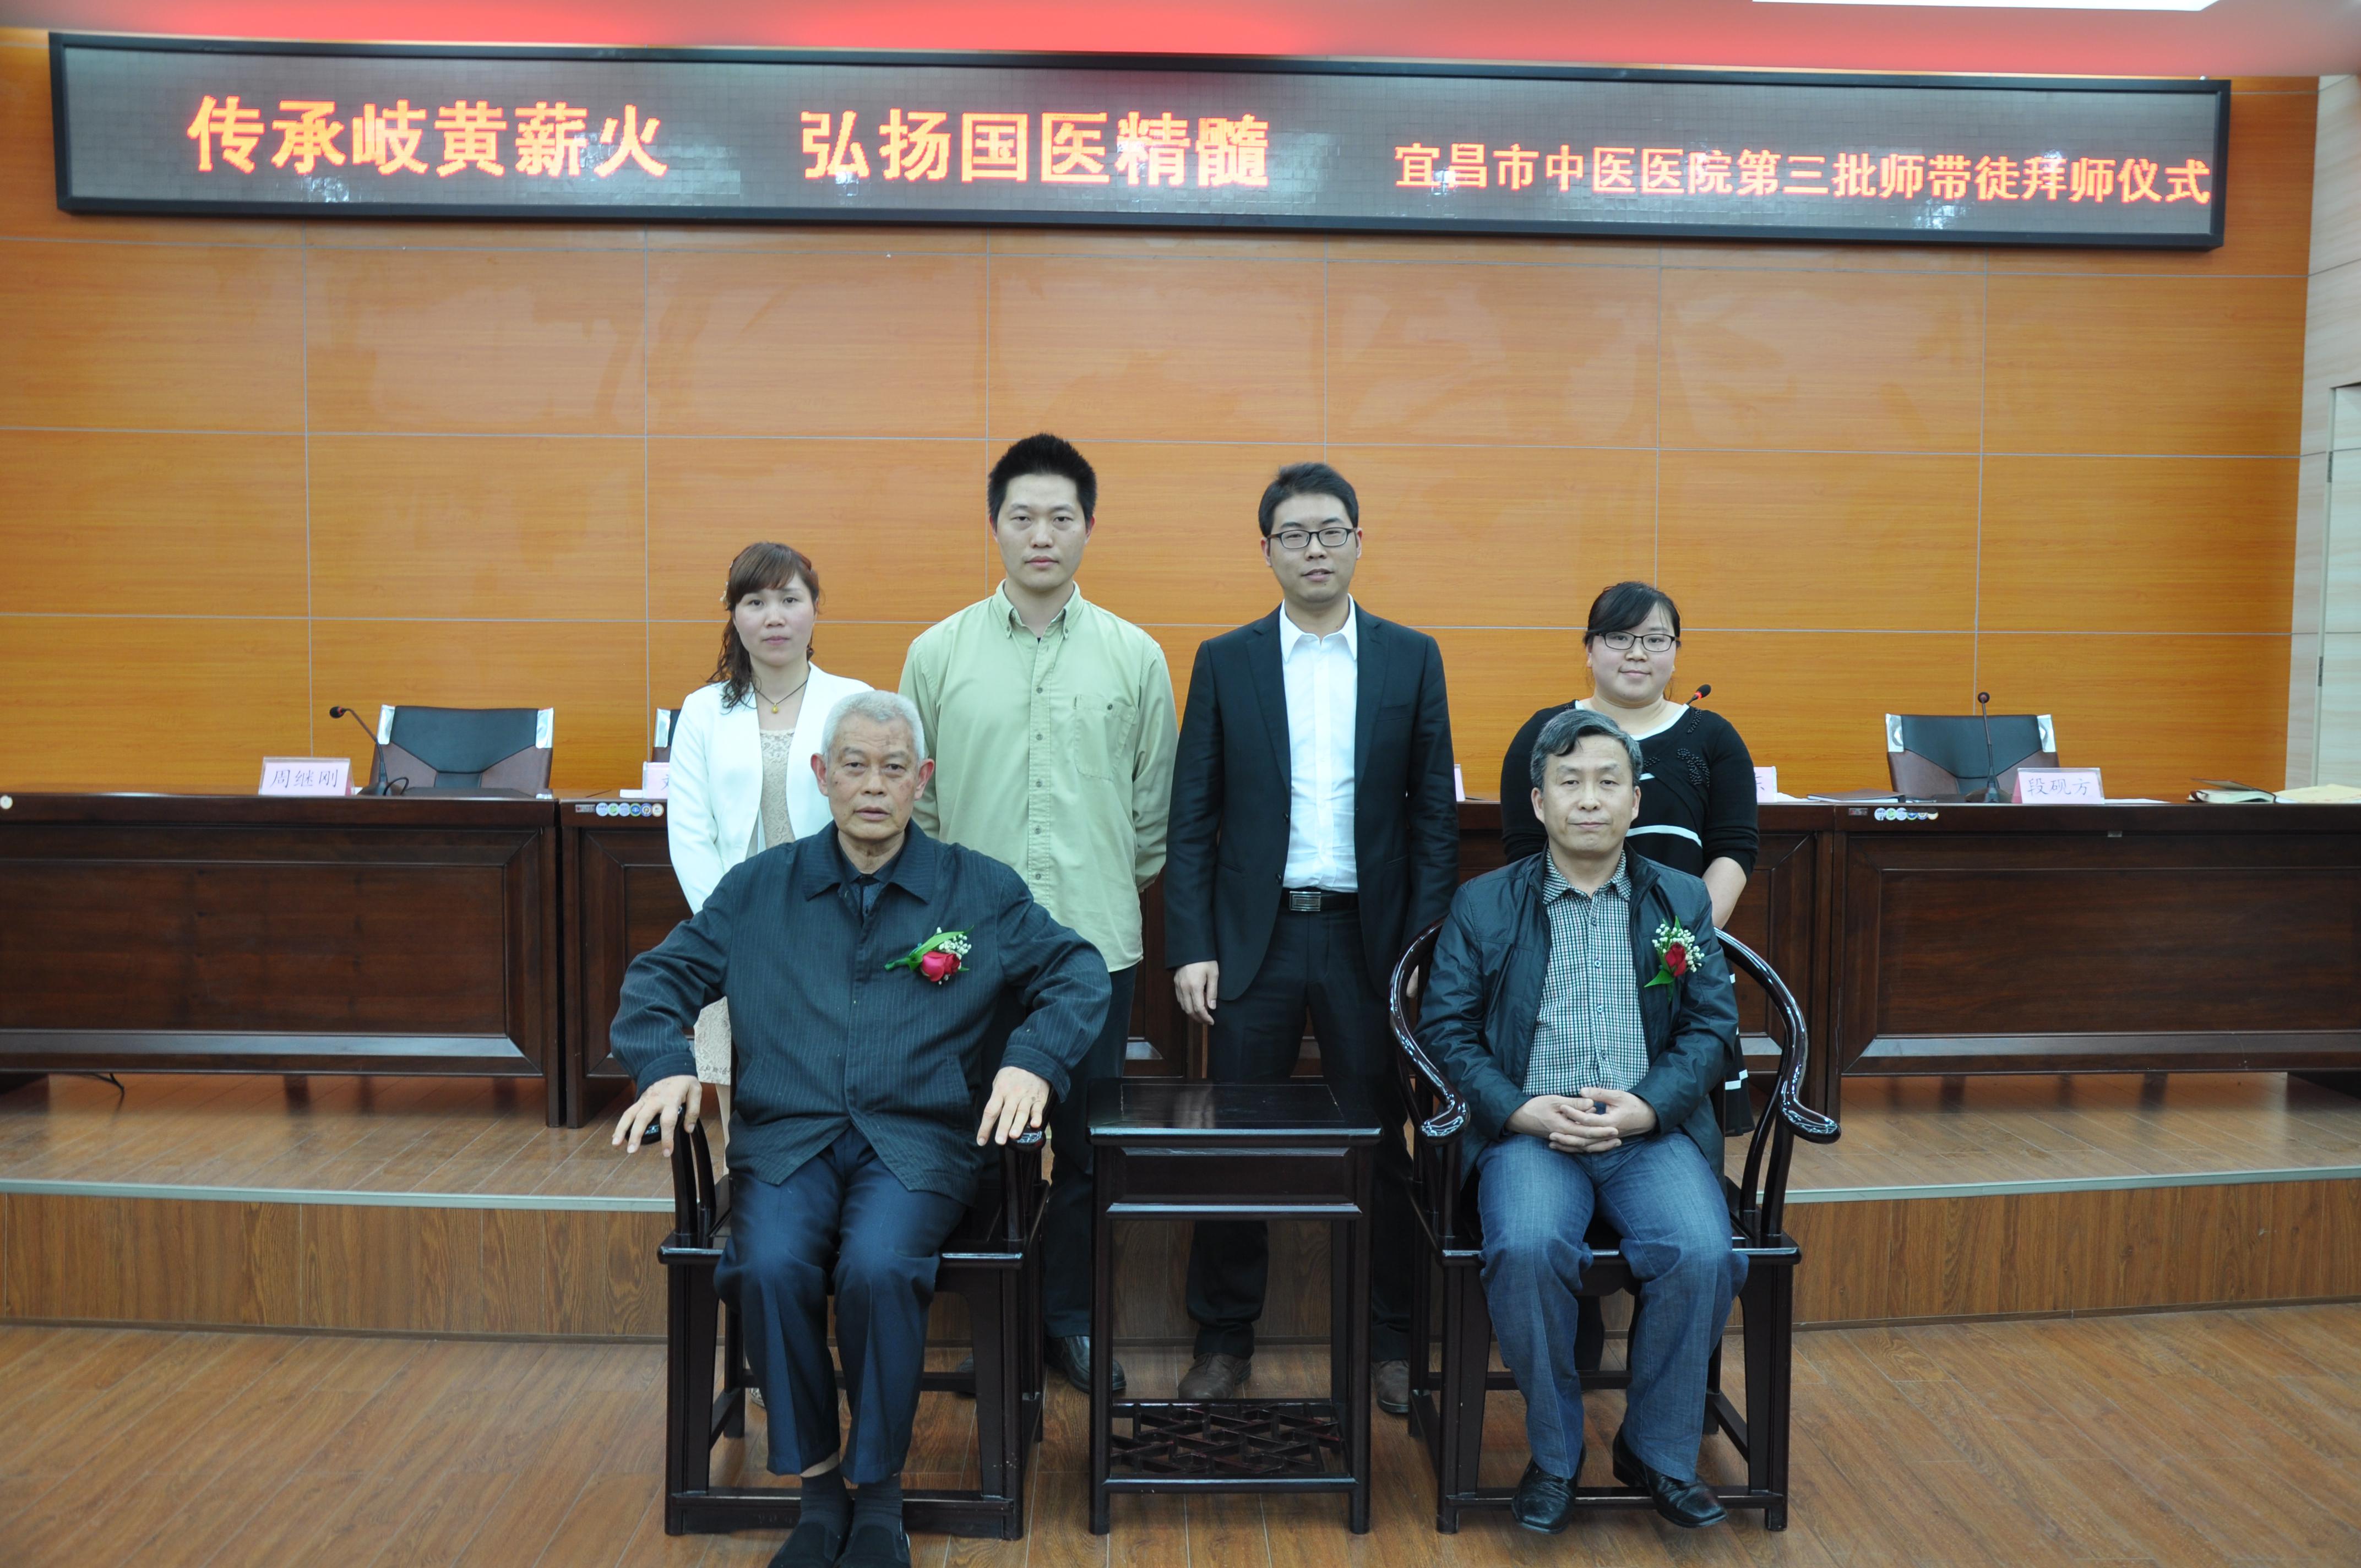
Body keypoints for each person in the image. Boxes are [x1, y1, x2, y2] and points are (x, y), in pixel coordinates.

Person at [608, 691, 1110, 1568]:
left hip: (916, 1143)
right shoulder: (758, 889)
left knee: (879, 1267)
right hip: (788, 1140)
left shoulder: (978, 889)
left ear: (922, 781)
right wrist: (666, 1064)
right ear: (822, 776)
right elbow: (656, 982)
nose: (873, 786)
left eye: (892, 768)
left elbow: (1078, 972)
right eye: (854, 766)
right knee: (767, 1265)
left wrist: (1032, 1061)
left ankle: (877, 1499)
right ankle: (818, 1494)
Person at [1162, 460, 1458, 1415]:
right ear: (1267, 550)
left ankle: (1388, 1339)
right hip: (1254, 944)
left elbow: (1432, 821)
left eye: (1331, 531)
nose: (1315, 549)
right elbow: (1192, 815)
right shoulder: (1226, 659)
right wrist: (1191, 943)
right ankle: (1222, 1337)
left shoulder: (1412, 657)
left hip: (1368, 944)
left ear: (1359, 541)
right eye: (1294, 534)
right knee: (1233, 1146)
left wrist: (1420, 953)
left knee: (1383, 1142)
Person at [900, 433, 1177, 1397]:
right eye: (1022, 516)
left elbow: (1151, 815)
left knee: (1090, 1150)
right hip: (969, 952)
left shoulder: (1135, 656)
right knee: (979, 1142)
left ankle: (1069, 1319)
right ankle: (997, 1320)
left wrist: (1097, 891)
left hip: (1095, 949)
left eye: (1061, 516)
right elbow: (919, 810)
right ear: (994, 527)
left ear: (1089, 527)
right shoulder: (936, 654)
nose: (1041, 534)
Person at [1421, 707, 1743, 1534]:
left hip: (1647, 1133)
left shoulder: (1679, 899)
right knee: (1527, 1247)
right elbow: (1446, 1031)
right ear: (1539, 802)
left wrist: (1648, 1106)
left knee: (1702, 1250)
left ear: (1636, 801)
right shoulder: (1484, 903)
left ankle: (1655, 1450)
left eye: (1608, 783)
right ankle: (1556, 1455)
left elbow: (1711, 1028)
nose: (1589, 799)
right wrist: (1517, 1108)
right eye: (1569, 783)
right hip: (1532, 1134)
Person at [664, 541, 872, 1168]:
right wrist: (732, 927)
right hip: (739, 929)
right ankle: (752, 1188)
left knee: (838, 1073)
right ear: (734, 614)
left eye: (789, 599)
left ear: (815, 608)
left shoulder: (853, 702)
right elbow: (690, 832)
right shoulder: (704, 710)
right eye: (755, 602)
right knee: (742, 1079)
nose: (774, 616)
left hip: (839, 923)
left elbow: (875, 815)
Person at [1499, 582, 1757, 928]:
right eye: (1619, 637)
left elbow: (1734, 849)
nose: (1637, 653)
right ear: (1590, 650)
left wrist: (1684, 942)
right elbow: (1526, 850)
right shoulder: (1543, 733)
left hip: (1680, 942)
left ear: (1675, 653)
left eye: (1656, 640)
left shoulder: (1716, 738)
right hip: (1567, 941)